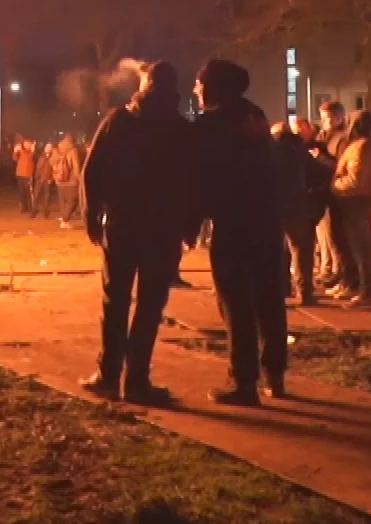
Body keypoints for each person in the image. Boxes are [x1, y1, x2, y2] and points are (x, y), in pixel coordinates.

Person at [79, 60, 199, 406]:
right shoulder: (182, 130)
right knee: (149, 306)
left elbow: (92, 170)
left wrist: (92, 216)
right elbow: (194, 182)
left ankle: (108, 374)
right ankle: (137, 381)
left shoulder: (119, 121)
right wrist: (190, 225)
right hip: (163, 231)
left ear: (144, 85)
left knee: (115, 300)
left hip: (123, 225)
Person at [193, 60, 289, 405]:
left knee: (236, 304)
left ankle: (244, 381)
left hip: (234, 224)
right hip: (267, 222)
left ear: (215, 87)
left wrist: (192, 220)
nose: (195, 89)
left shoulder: (212, 124)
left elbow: (201, 177)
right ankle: (274, 374)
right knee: (269, 299)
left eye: (199, 83)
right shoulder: (255, 115)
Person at [329, 110, 371, 307]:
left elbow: (355, 181)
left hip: (355, 201)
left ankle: (366, 292)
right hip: (359, 200)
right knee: (359, 248)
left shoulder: (362, 147)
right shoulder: (369, 144)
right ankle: (362, 289)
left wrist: (333, 185)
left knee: (361, 249)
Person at [271, 120, 325, 305]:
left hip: (274, 207)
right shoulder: (299, 150)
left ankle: (280, 288)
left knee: (278, 250)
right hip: (298, 206)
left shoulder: (268, 150)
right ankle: (304, 292)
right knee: (301, 250)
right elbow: (317, 172)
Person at [314, 101, 350, 291]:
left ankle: (345, 278)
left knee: (340, 239)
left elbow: (339, 166)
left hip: (337, 193)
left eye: (327, 118)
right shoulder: (324, 136)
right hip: (325, 192)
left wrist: (319, 156)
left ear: (338, 117)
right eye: (322, 118)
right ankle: (338, 275)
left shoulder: (342, 139)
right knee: (331, 239)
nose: (324, 122)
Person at [13, 135, 37, 214]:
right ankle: (24, 207)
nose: (26, 145)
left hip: (28, 175)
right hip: (20, 174)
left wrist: (31, 150)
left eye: (28, 143)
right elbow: (14, 159)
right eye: (25, 143)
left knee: (29, 193)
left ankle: (31, 208)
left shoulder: (31, 152)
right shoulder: (22, 151)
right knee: (22, 192)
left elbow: (29, 156)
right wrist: (15, 151)